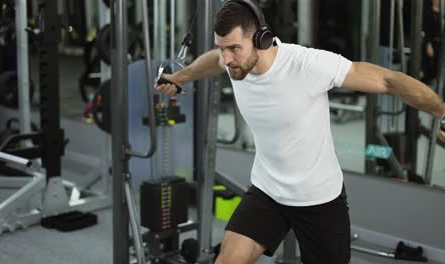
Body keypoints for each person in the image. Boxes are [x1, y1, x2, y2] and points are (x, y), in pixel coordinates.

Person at [156, 1, 445, 263]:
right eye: (222, 47)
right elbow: (212, 61)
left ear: (261, 40)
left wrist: (443, 112)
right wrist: (180, 77)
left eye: (234, 49)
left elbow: (388, 79)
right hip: (268, 190)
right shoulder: (232, 62)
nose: (227, 58)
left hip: (318, 198)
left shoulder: (306, 65)